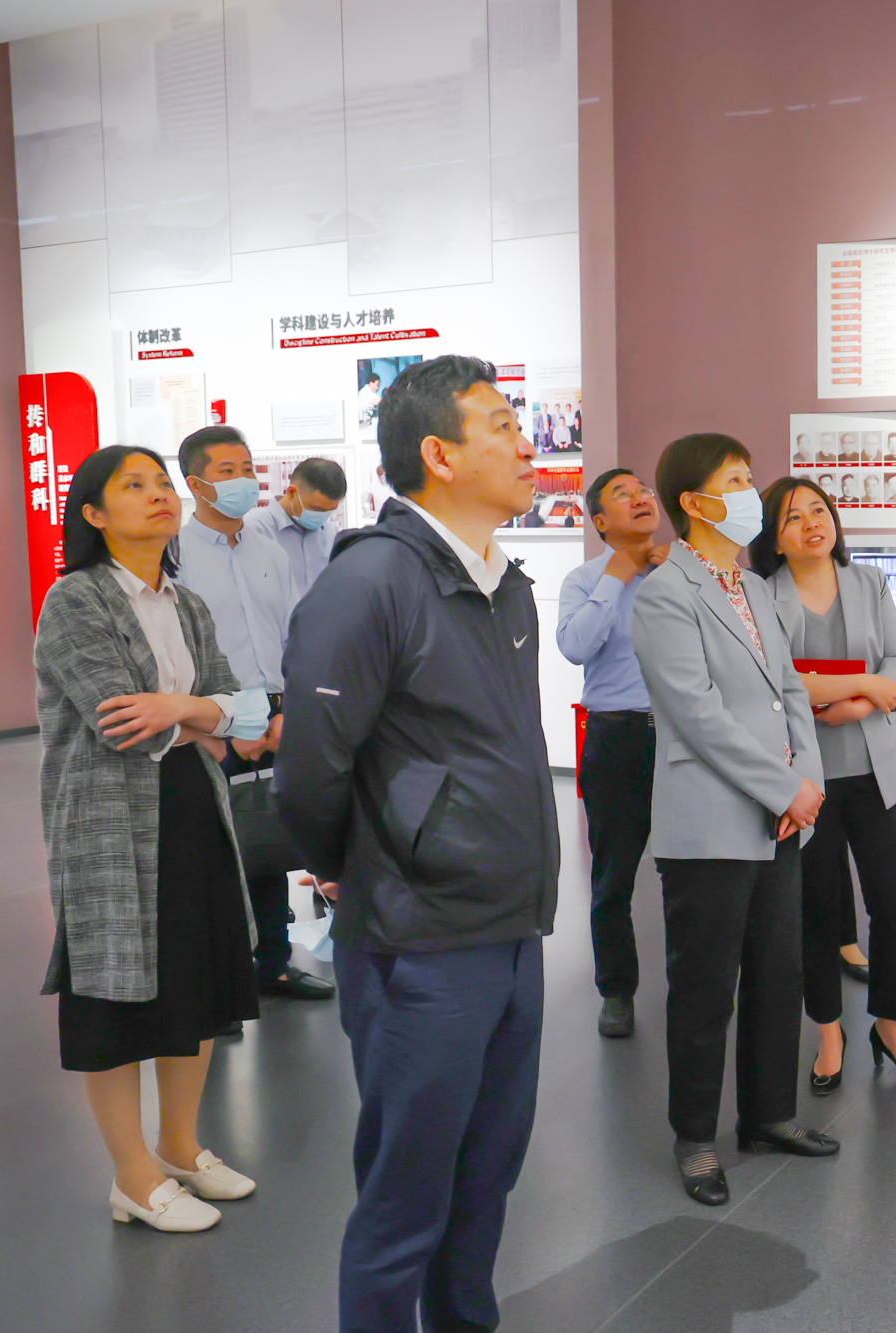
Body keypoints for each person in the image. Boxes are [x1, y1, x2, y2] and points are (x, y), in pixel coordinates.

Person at [276, 356, 559, 1331]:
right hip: (416, 935)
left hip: (510, 925)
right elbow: (309, 769)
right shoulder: (371, 582)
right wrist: (362, 867)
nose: (526, 443)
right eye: (501, 426)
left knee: (487, 1174)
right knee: (406, 1191)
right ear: (438, 454)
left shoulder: (504, 584)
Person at [35, 445, 269, 1234]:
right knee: (114, 996)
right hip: (109, 818)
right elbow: (121, 722)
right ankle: (132, 1177)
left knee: (193, 981)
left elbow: (244, 712)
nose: (158, 494)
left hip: (194, 803)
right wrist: (201, 713)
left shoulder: (187, 603)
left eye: (162, 481)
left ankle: (179, 1144)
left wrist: (182, 708)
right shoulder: (75, 600)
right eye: (133, 485)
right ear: (94, 514)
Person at [633, 433, 837, 1206]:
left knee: (778, 971)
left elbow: (791, 693)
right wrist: (783, 788)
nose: (752, 492)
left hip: (779, 814)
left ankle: (768, 1114)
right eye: (736, 480)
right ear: (694, 502)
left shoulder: (752, 585)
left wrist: (806, 780)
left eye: (750, 477)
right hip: (712, 819)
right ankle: (694, 1137)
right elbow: (696, 713)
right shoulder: (665, 592)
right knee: (704, 986)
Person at [752, 477, 896, 1097]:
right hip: (805, 780)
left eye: (819, 510)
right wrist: (863, 686)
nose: (812, 523)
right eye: (793, 517)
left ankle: (891, 1024)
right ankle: (828, 1032)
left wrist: (864, 702)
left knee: (893, 905)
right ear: (774, 538)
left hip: (878, 772)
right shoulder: (761, 595)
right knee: (818, 912)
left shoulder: (869, 582)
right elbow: (775, 678)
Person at [172, 426, 334, 1012]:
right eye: (227, 471)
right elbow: (175, 649)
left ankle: (273, 964)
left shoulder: (269, 552)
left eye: (247, 468)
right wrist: (223, 726)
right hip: (208, 720)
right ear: (195, 484)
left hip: (272, 716)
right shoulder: (174, 554)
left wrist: (286, 713)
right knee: (208, 850)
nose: (244, 480)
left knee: (264, 840)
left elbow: (291, 639)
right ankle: (215, 979)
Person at [557, 468, 668, 1039]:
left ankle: (695, 980)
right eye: (622, 494)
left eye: (643, 490)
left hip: (683, 736)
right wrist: (615, 579)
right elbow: (575, 647)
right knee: (613, 877)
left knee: (690, 870)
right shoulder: (583, 580)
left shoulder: (682, 572)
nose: (640, 498)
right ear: (600, 521)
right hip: (617, 737)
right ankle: (617, 990)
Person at [248, 456, 347, 602]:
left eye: (329, 511)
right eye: (316, 509)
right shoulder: (253, 531)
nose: (322, 516)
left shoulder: (330, 532)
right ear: (291, 493)